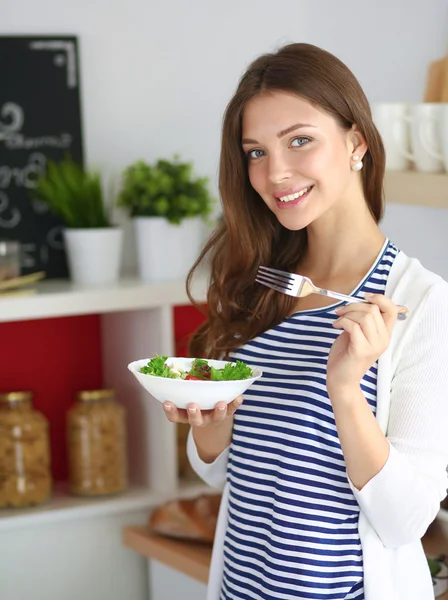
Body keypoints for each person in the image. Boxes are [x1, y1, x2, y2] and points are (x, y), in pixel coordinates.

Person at [162, 43, 448, 600]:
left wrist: (345, 391)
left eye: (299, 140)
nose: (275, 173)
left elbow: (407, 520)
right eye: (254, 152)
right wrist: (208, 419)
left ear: (356, 141)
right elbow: (228, 474)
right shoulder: (259, 283)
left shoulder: (423, 303)